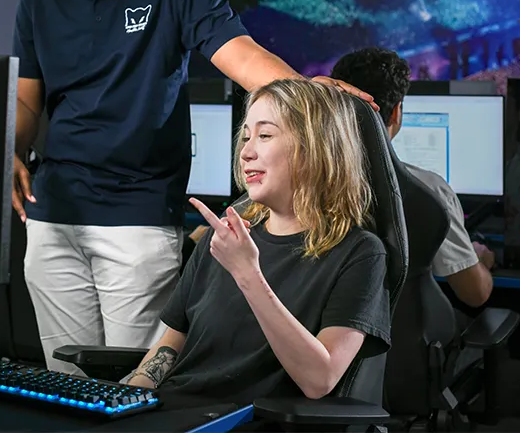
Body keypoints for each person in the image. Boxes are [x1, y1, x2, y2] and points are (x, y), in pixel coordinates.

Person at [11, 0, 375, 372]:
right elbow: (29, 97)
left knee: (136, 384)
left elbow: (242, 56)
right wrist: (11, 150)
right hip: (53, 217)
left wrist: (307, 89)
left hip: (136, 218)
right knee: (65, 378)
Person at [123, 79, 391, 403]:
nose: (246, 152)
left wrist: (247, 273)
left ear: (315, 147)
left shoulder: (359, 253)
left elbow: (320, 379)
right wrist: (127, 400)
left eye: (264, 135)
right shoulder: (225, 235)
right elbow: (171, 344)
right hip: (169, 412)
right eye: (247, 136)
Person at [330, 48, 495, 309]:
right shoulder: (428, 190)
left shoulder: (306, 185)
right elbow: (475, 293)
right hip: (409, 345)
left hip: (326, 344)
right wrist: (479, 258)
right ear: (396, 112)